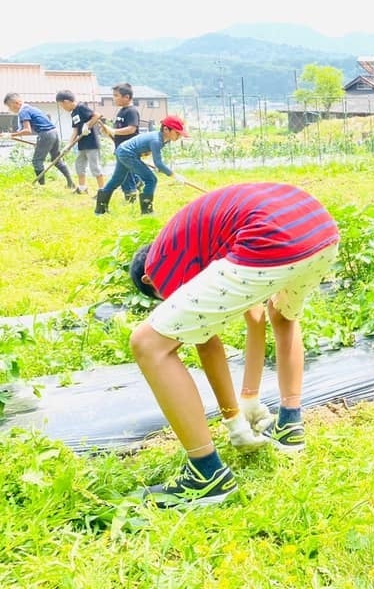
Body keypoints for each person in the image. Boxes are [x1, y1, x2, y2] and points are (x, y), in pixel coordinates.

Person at [127, 182, 340, 507]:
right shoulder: (199, 242)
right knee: (282, 314)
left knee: (148, 343)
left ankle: (206, 476)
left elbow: (206, 342)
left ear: (148, 281)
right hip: (319, 229)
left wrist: (234, 421)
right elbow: (255, 316)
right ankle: (289, 425)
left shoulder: (160, 263)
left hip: (269, 236)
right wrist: (249, 398)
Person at [95, 115, 189, 215]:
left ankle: (100, 210)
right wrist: (174, 175)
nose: (179, 136)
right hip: (127, 153)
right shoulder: (156, 140)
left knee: (117, 179)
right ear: (166, 129)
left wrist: (158, 166)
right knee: (151, 180)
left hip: (122, 150)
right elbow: (158, 163)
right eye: (177, 133)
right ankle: (147, 211)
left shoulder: (162, 139)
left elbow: (155, 159)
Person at [1, 92, 74, 188]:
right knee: (56, 159)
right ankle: (71, 183)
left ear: (16, 103)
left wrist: (10, 135)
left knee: (37, 161)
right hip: (54, 132)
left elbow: (27, 130)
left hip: (46, 134)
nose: (9, 109)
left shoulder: (23, 111)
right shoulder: (31, 108)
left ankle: (41, 186)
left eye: (9, 106)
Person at [55, 90, 105, 195]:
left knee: (95, 167)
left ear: (66, 102)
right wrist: (68, 145)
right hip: (82, 144)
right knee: (79, 165)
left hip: (92, 143)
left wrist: (87, 125)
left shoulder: (81, 107)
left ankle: (103, 191)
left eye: (62, 105)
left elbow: (97, 115)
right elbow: (75, 130)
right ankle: (82, 188)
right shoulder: (73, 113)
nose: (63, 108)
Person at [99, 82, 142, 202]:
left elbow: (131, 129)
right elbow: (117, 132)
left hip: (129, 150)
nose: (114, 98)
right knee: (128, 173)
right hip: (120, 148)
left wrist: (113, 131)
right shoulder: (121, 111)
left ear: (126, 97)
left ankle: (130, 195)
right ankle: (140, 185)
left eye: (116, 95)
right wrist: (108, 132)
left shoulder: (131, 111)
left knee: (124, 175)